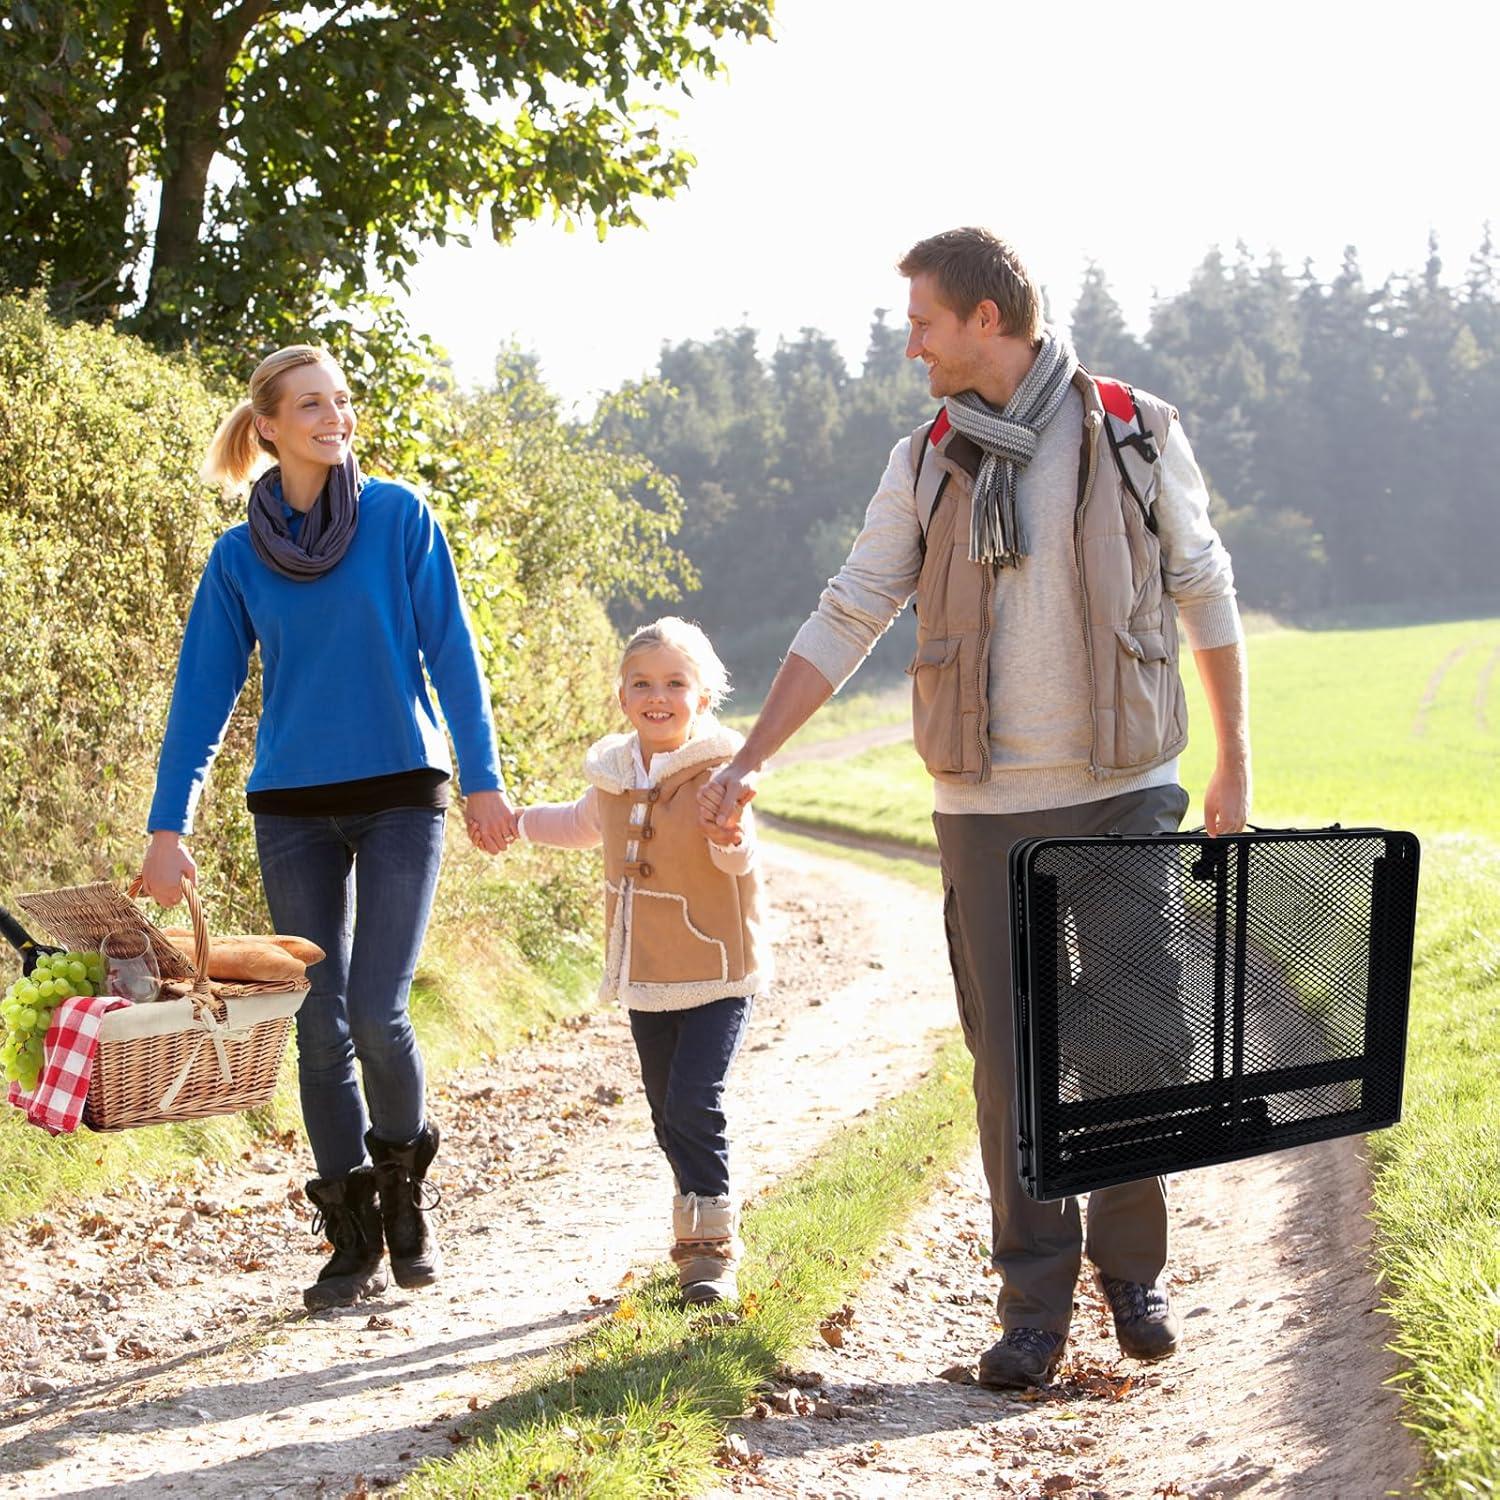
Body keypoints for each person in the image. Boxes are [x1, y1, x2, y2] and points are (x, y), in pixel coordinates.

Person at [701, 228, 1251, 1387]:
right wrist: (750, 756)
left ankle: (1134, 1277)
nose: (910, 347)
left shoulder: (1134, 429)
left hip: (1124, 791)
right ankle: (1033, 1308)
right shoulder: (924, 461)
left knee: (1141, 1044)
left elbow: (1203, 583)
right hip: (982, 804)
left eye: (923, 323)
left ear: (987, 320)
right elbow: (851, 610)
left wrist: (1234, 759)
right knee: (1011, 1063)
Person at [138, 345, 519, 1312]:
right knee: (318, 1021)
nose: (333, 416)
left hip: (402, 790)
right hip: (293, 809)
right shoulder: (237, 559)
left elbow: (454, 656)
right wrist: (166, 827)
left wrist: (484, 779)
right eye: (311, 404)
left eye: (340, 401)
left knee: (381, 1011)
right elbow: (202, 699)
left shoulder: (398, 519)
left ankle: (405, 1199)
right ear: (267, 425)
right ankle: (349, 1233)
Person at [514, 617, 767, 1306]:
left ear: (704, 695)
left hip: (716, 972)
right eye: (642, 684)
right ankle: (693, 1215)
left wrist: (731, 833)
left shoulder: (719, 773)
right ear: (623, 696)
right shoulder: (615, 777)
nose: (659, 696)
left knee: (693, 1099)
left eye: (675, 684)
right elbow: (577, 823)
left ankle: (709, 1250)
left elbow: (740, 858)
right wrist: (513, 821)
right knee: (664, 1112)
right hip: (647, 976)